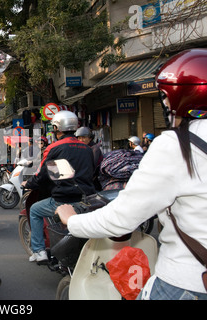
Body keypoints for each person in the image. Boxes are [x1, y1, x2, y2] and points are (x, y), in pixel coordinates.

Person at [55, 48, 207, 300]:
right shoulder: (90, 148)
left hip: (188, 282)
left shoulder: (175, 144)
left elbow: (122, 218)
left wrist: (71, 221)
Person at [21, 111, 95, 262]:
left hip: (63, 199)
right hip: (86, 198)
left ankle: (39, 251)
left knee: (35, 210)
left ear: (57, 128)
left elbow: (44, 175)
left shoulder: (55, 148)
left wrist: (28, 184)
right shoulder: (87, 149)